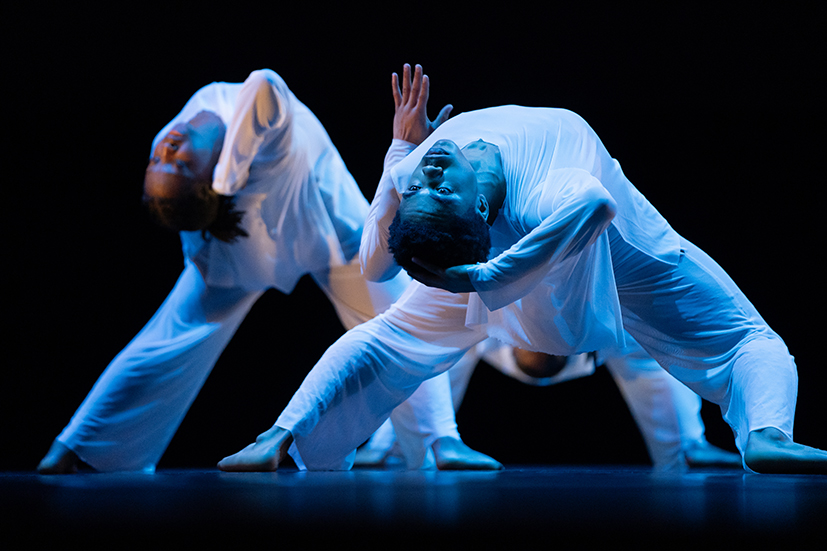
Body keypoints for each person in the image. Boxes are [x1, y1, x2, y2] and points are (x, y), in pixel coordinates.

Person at [217, 64, 826, 475]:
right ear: (478, 207)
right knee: (750, 338)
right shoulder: (531, 192)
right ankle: (282, 437)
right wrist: (480, 273)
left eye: (423, 182)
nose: (427, 174)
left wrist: (402, 153)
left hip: (531, 260)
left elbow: (377, 262)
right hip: (624, 257)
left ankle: (762, 435)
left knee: (386, 334)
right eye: (433, 186)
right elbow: (593, 201)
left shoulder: (420, 171)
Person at [36, 68, 496, 474]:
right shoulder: (248, 146)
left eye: (159, 160)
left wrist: (205, 181)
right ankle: (440, 438)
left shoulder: (192, 141)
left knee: (392, 315)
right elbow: (267, 85)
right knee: (171, 338)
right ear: (210, 181)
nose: (168, 150)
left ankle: (73, 446)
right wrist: (227, 181)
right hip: (281, 241)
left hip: (293, 238)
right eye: (180, 165)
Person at [357, 338, 742, 471]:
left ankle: (685, 445)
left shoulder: (615, 314)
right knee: (430, 352)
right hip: (487, 319)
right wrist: (390, 444)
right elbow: (414, 352)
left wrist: (686, 445)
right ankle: (393, 446)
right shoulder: (471, 305)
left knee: (644, 348)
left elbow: (661, 351)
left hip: (592, 327)